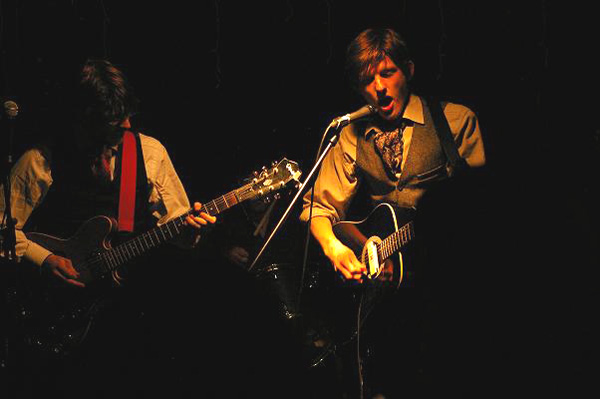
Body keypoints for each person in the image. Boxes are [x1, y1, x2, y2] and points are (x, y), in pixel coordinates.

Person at [0, 59, 216, 397]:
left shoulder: (149, 153)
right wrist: (45, 259)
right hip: (53, 316)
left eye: (127, 116)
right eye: (114, 122)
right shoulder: (41, 160)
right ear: (84, 119)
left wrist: (189, 233)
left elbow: (179, 229)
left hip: (130, 315)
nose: (127, 125)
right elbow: (1, 226)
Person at [300, 28, 486, 398]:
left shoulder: (455, 120)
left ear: (409, 70)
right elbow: (318, 208)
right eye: (367, 80)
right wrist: (335, 249)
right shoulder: (351, 134)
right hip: (384, 296)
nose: (379, 88)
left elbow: (483, 206)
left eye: (387, 73)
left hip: (446, 282)